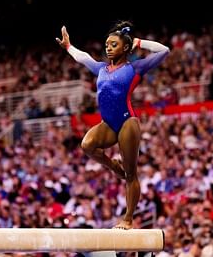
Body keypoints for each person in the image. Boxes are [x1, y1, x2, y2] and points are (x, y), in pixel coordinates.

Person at [56, 21, 170, 229]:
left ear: (125, 47)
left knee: (131, 174)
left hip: (127, 122)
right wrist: (69, 47)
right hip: (108, 123)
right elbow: (84, 58)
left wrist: (139, 42)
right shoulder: (101, 68)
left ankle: (128, 218)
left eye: (113, 44)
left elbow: (164, 51)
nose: (108, 47)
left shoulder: (135, 68)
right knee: (87, 145)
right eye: (107, 44)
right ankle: (113, 166)